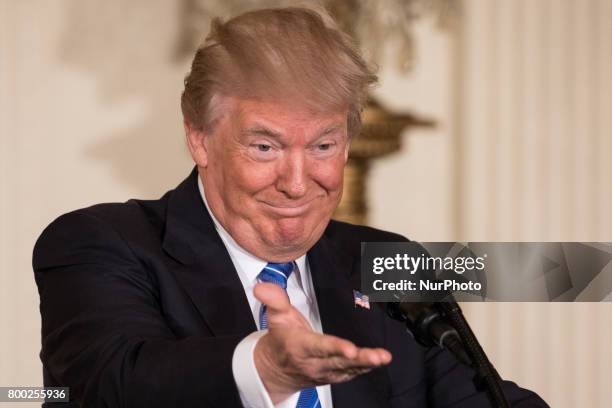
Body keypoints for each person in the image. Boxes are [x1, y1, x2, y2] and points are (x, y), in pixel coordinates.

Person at [33, 6, 548, 408]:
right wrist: (263, 368)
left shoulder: (387, 259)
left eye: (323, 146)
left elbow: (480, 398)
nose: (298, 184)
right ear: (199, 138)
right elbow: (113, 384)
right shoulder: (100, 242)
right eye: (266, 147)